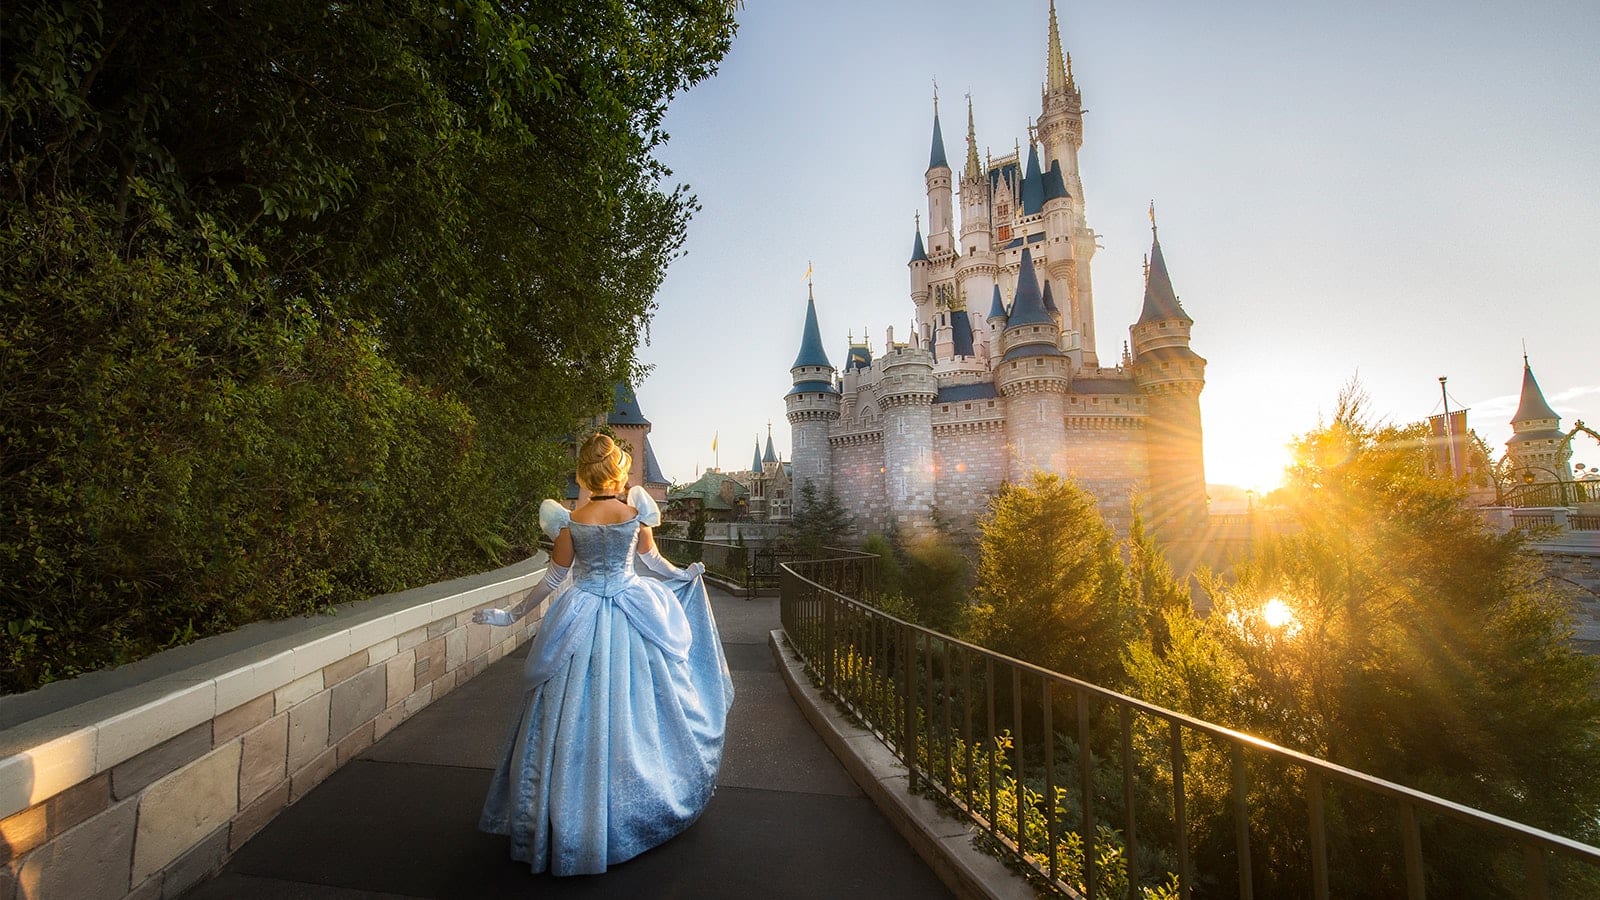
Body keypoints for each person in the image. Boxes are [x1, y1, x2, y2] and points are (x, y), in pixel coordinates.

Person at [474, 433, 733, 875]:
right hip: (635, 611)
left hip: (583, 615)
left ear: (584, 474)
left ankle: (566, 813)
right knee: (646, 711)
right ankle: (638, 804)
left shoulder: (571, 521)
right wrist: (686, 573)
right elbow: (654, 566)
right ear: (620, 471)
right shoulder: (636, 514)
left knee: (569, 711)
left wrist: (512, 614)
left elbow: (555, 580)